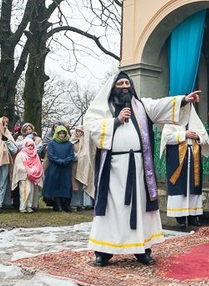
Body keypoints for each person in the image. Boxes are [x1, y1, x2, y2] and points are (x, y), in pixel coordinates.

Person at [84, 71, 201, 267]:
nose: (124, 86)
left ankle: (142, 248)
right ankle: (104, 251)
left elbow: (160, 105)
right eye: (120, 83)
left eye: (127, 83)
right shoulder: (104, 107)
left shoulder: (142, 106)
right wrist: (116, 120)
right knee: (113, 208)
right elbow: (91, 127)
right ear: (113, 87)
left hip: (139, 167)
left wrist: (183, 100)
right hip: (113, 169)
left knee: (141, 205)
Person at [160, 106, 209, 228]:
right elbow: (166, 138)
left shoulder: (196, 121)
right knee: (179, 185)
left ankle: (193, 215)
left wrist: (197, 137)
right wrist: (185, 134)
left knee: (193, 185)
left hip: (193, 155)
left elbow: (204, 138)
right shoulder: (171, 121)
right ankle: (180, 217)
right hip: (177, 157)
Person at [43, 125, 76, 212]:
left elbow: (71, 155)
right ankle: (57, 204)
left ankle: (66, 204)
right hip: (55, 167)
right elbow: (51, 155)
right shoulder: (52, 143)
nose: (61, 135)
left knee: (66, 185)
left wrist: (65, 161)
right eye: (60, 133)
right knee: (55, 185)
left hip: (66, 168)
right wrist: (60, 161)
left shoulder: (69, 144)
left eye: (63, 133)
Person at [11, 137, 43, 213]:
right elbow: (18, 166)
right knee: (26, 191)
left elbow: (38, 165)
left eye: (32, 145)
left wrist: (34, 171)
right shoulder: (21, 154)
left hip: (33, 176)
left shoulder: (35, 155)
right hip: (25, 176)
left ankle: (29, 206)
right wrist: (27, 171)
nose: (31, 147)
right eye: (29, 145)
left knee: (32, 192)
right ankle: (22, 207)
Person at [69, 126, 93, 211]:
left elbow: (89, 153)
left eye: (81, 132)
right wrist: (76, 156)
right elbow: (69, 153)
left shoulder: (86, 142)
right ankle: (76, 203)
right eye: (78, 131)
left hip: (85, 165)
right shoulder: (71, 142)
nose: (79, 133)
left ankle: (85, 203)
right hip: (75, 165)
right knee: (75, 185)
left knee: (84, 183)